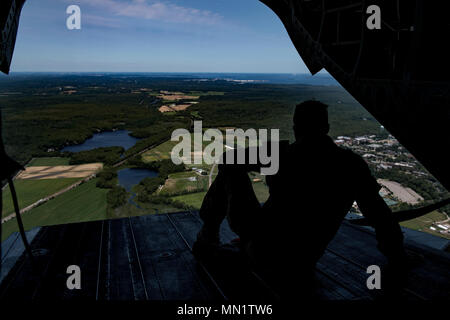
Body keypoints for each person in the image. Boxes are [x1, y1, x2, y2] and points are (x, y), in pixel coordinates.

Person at [193, 100, 406, 298]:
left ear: (296, 128)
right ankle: (238, 246)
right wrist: (397, 256)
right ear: (327, 128)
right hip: (304, 261)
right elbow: (379, 215)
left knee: (231, 169)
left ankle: (209, 234)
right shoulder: (352, 164)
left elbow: (228, 160)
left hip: (262, 249)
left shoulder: (280, 154)